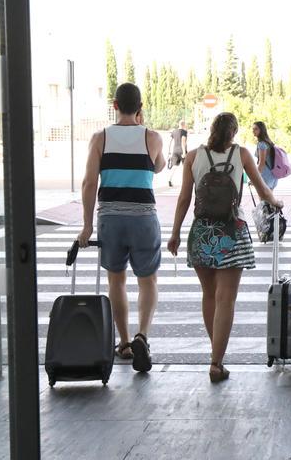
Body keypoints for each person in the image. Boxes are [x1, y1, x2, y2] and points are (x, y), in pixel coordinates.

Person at [167, 112, 282, 383]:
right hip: (232, 231)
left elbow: (185, 198)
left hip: (202, 232)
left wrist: (175, 233)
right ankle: (216, 362)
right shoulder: (241, 154)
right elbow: (263, 190)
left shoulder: (194, 156)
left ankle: (215, 354)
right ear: (234, 132)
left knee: (209, 296)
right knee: (226, 300)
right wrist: (276, 203)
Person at [77, 83, 167, 373]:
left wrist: (87, 226)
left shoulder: (99, 138)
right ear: (140, 108)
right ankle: (143, 334)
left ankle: (125, 342)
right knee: (148, 280)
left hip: (111, 218)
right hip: (143, 217)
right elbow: (159, 167)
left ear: (114, 105)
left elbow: (90, 183)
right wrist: (143, 132)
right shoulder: (152, 138)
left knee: (116, 281)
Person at [252, 121, 278, 190]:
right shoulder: (269, 142)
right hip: (273, 176)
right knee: (269, 200)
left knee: (263, 200)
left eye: (256, 129)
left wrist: (254, 178)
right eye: (253, 129)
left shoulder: (262, 144)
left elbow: (261, 163)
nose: (253, 131)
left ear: (261, 130)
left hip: (265, 177)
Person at [167, 120, 188, 187]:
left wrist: (169, 152)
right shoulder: (184, 132)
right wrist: (184, 152)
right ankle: (185, 183)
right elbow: (183, 141)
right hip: (182, 151)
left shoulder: (174, 131)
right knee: (185, 168)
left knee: (174, 166)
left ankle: (170, 180)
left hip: (175, 151)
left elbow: (170, 142)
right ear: (184, 125)